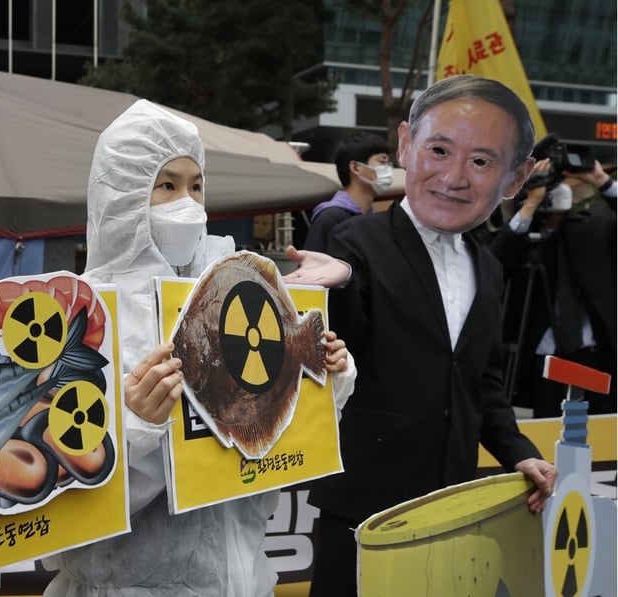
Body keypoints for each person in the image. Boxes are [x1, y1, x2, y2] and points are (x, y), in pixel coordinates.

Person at [41, 99, 356, 596]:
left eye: (196, 185)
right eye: (165, 185)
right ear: (122, 194)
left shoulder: (238, 292)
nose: (186, 202)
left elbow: (267, 450)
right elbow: (58, 502)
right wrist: (138, 430)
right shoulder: (79, 319)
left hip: (242, 579)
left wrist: (321, 382)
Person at [283, 75, 558, 596]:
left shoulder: (489, 268)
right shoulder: (352, 241)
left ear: (515, 179)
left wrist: (518, 451)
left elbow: (483, 382)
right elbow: (338, 353)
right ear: (406, 145)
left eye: (481, 161)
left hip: (452, 505)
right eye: (438, 149)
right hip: (363, 505)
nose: (454, 176)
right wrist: (339, 284)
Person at [490, 158, 616, 417]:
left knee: (605, 441)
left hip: (597, 355)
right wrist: (530, 204)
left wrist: (601, 181)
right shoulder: (522, 237)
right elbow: (494, 265)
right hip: (544, 359)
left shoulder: (592, 226)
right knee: (548, 439)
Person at [303, 132, 392, 253]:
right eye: (382, 162)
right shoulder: (330, 217)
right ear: (355, 167)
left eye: (388, 163)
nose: (388, 169)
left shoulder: (373, 219)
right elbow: (311, 267)